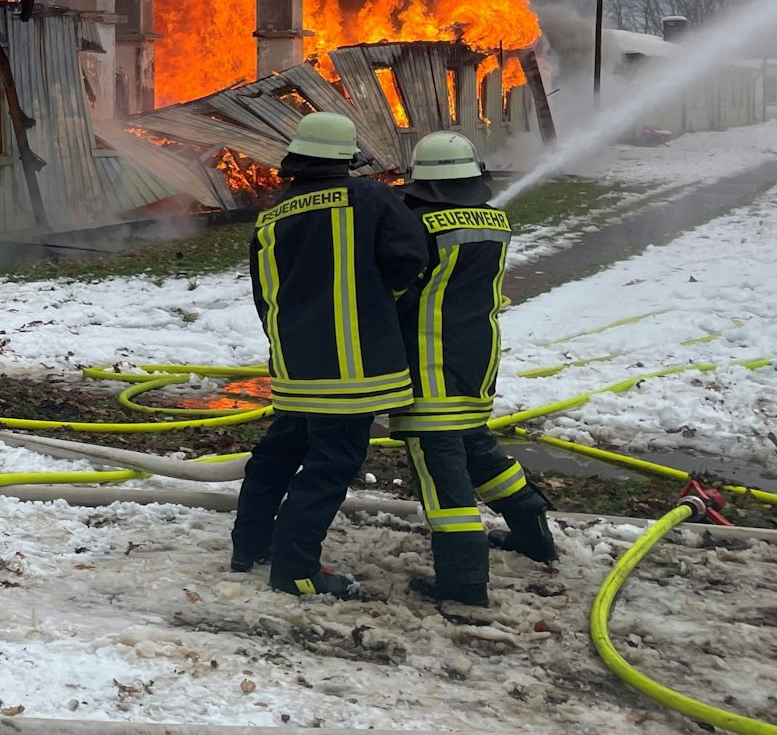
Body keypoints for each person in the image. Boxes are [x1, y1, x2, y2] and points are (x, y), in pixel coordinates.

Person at [231, 112, 429, 599]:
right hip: (353, 372)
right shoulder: (369, 197)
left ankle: (249, 546)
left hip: (297, 369)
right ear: (346, 159)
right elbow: (410, 259)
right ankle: (296, 569)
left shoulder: (273, 215)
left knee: (276, 458)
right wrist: (384, 301)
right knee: (329, 468)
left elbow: (264, 295)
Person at [390, 131, 559, 607]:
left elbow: (395, 288)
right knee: (477, 449)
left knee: (441, 472)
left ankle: (463, 582)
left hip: (429, 368)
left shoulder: (417, 227)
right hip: (476, 361)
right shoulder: (495, 221)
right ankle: (533, 532)